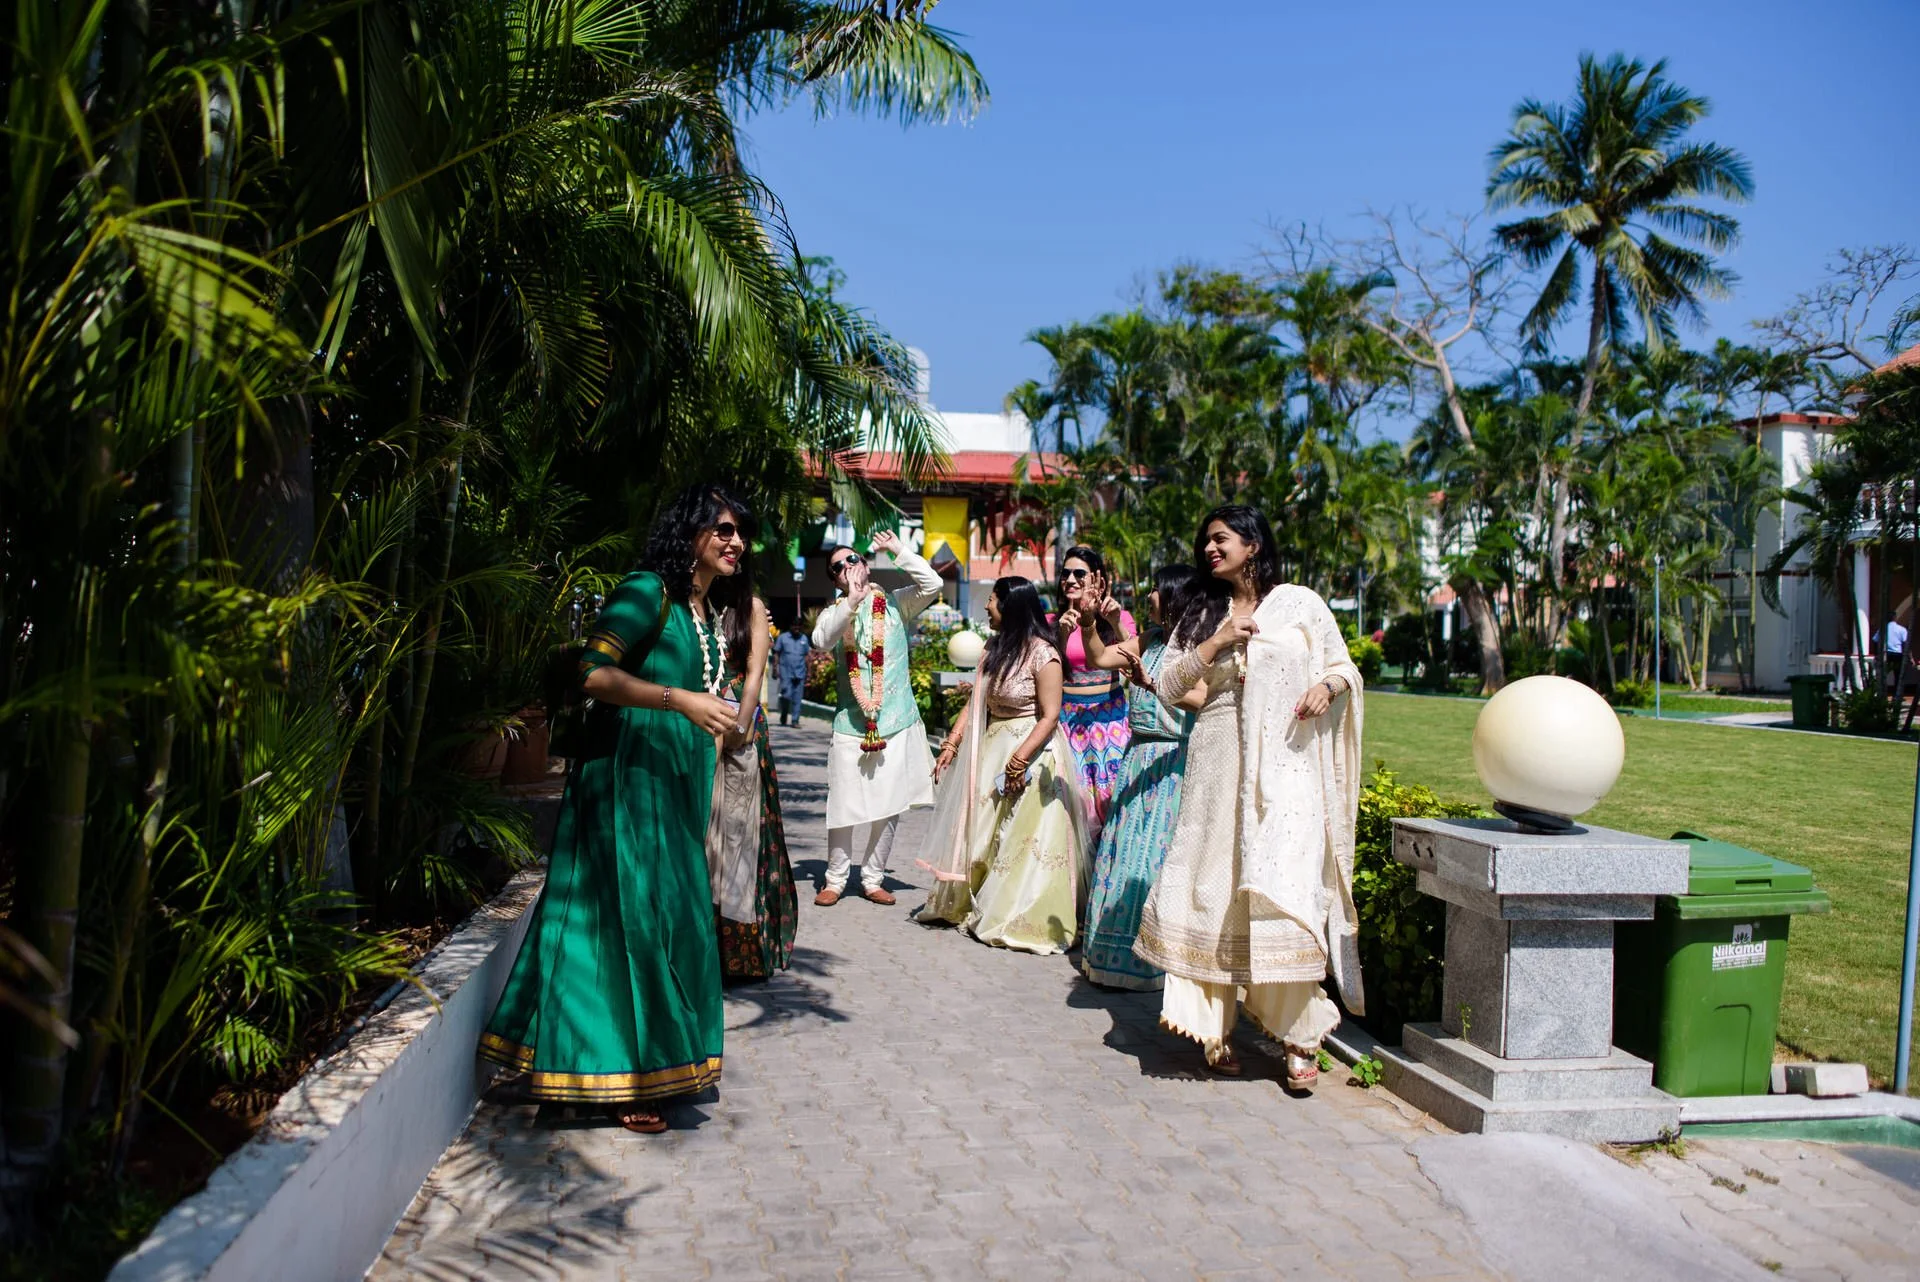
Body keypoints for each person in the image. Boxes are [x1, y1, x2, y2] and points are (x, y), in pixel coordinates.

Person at [480, 484, 746, 1133]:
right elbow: (592, 674)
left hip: (672, 786)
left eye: (741, 532)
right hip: (626, 782)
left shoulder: (703, 610)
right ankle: (622, 1075)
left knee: (667, 919)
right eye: (723, 529)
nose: (737, 541)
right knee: (629, 923)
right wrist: (679, 700)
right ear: (689, 531)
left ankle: (632, 1063)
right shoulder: (647, 591)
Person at [1131, 504, 1365, 1091]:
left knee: (1283, 885)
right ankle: (1213, 1029)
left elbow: (1345, 667)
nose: (1210, 549)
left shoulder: (1299, 604)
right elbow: (1168, 685)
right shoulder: (1202, 610)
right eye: (1206, 541)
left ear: (1253, 544)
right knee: (1211, 885)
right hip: (1216, 760)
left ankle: (1300, 1034)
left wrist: (1326, 685)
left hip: (1284, 765)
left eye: (1221, 539)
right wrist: (1214, 642)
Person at [916, 577, 1090, 952]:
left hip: (1032, 752)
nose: (986, 606)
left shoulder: (1044, 654)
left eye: (992, 600)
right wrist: (952, 743)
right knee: (981, 830)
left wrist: (1019, 760)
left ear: (1010, 606)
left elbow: (1050, 715)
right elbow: (976, 701)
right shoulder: (995, 648)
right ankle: (973, 900)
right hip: (993, 747)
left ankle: (1015, 913)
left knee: (1020, 835)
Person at [1070, 564, 1204, 990]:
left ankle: (1151, 963)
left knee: (1155, 857)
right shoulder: (1151, 639)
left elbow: (1204, 698)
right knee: (1123, 852)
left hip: (1172, 761)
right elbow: (1100, 657)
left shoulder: (1199, 646)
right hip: (1137, 755)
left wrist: (1153, 682)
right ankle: (1112, 957)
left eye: (1156, 590)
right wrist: (1089, 622)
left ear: (1176, 596)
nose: (1149, 596)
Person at [811, 531, 942, 906]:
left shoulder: (897, 603)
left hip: (895, 722)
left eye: (852, 559)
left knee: (889, 806)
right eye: (838, 567)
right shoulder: (835, 613)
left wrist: (898, 549)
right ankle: (835, 879)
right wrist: (851, 602)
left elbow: (932, 584)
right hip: (850, 725)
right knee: (843, 804)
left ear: (865, 565)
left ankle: (872, 878)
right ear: (835, 579)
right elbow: (821, 640)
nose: (847, 567)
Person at [705, 574, 799, 982]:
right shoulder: (690, 605)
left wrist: (739, 729)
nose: (732, 548)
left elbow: (754, 675)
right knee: (701, 836)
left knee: (738, 838)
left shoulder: (751, 608)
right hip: (695, 731)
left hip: (739, 733)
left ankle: (737, 956)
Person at [1052, 546, 1136, 833]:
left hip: (1110, 723)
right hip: (1067, 723)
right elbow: (1048, 673)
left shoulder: (1117, 617)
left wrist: (1115, 622)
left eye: (1079, 573)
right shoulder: (1051, 621)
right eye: (1065, 573)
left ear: (1097, 579)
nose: (1070, 580)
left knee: (1111, 803)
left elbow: (1135, 663)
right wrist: (1061, 636)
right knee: (1072, 807)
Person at [772, 618, 811, 727]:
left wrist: (809, 672)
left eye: (799, 626)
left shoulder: (804, 639)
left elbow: (807, 656)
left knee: (798, 697)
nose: (797, 628)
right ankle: (784, 713)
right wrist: (775, 669)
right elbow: (776, 654)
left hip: (800, 672)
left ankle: (795, 720)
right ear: (790, 626)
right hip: (786, 672)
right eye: (795, 626)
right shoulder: (782, 638)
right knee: (786, 694)